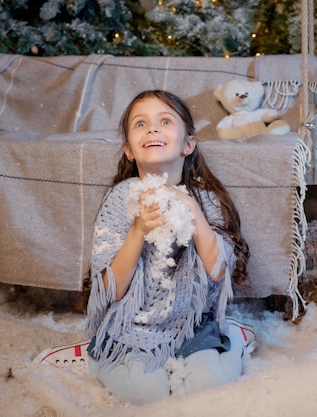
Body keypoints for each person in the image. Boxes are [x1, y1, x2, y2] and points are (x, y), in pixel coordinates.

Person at [35, 90, 256, 405]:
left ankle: (234, 339)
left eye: (165, 121)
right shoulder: (119, 202)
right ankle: (94, 355)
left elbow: (219, 272)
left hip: (194, 325)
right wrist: (138, 229)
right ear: (128, 150)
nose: (152, 129)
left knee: (208, 389)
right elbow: (110, 290)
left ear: (188, 144)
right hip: (130, 329)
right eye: (141, 124)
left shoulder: (204, 200)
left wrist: (193, 212)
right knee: (148, 394)